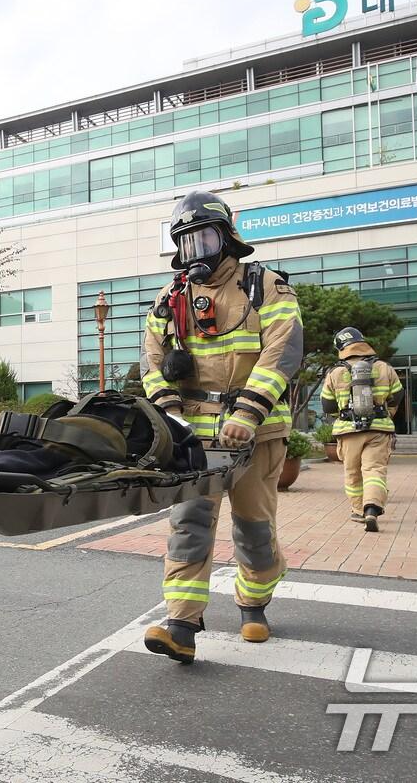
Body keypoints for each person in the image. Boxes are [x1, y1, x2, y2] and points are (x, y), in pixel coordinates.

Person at [139, 191, 303, 664]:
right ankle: (182, 624)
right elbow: (151, 360)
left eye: (204, 238)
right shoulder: (171, 299)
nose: (196, 252)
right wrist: (170, 415)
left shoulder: (266, 287)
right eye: (185, 243)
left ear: (228, 238)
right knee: (188, 524)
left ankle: (255, 603)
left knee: (255, 530)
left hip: (259, 434)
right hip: (195, 438)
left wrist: (248, 412)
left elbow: (283, 351)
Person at [320, 327, 402, 533]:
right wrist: (386, 413)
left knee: (353, 474)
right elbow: (397, 397)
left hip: (348, 431)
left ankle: (358, 510)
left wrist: (342, 416)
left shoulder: (336, 372)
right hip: (378, 429)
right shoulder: (385, 368)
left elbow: (328, 406)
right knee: (374, 470)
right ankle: (372, 508)